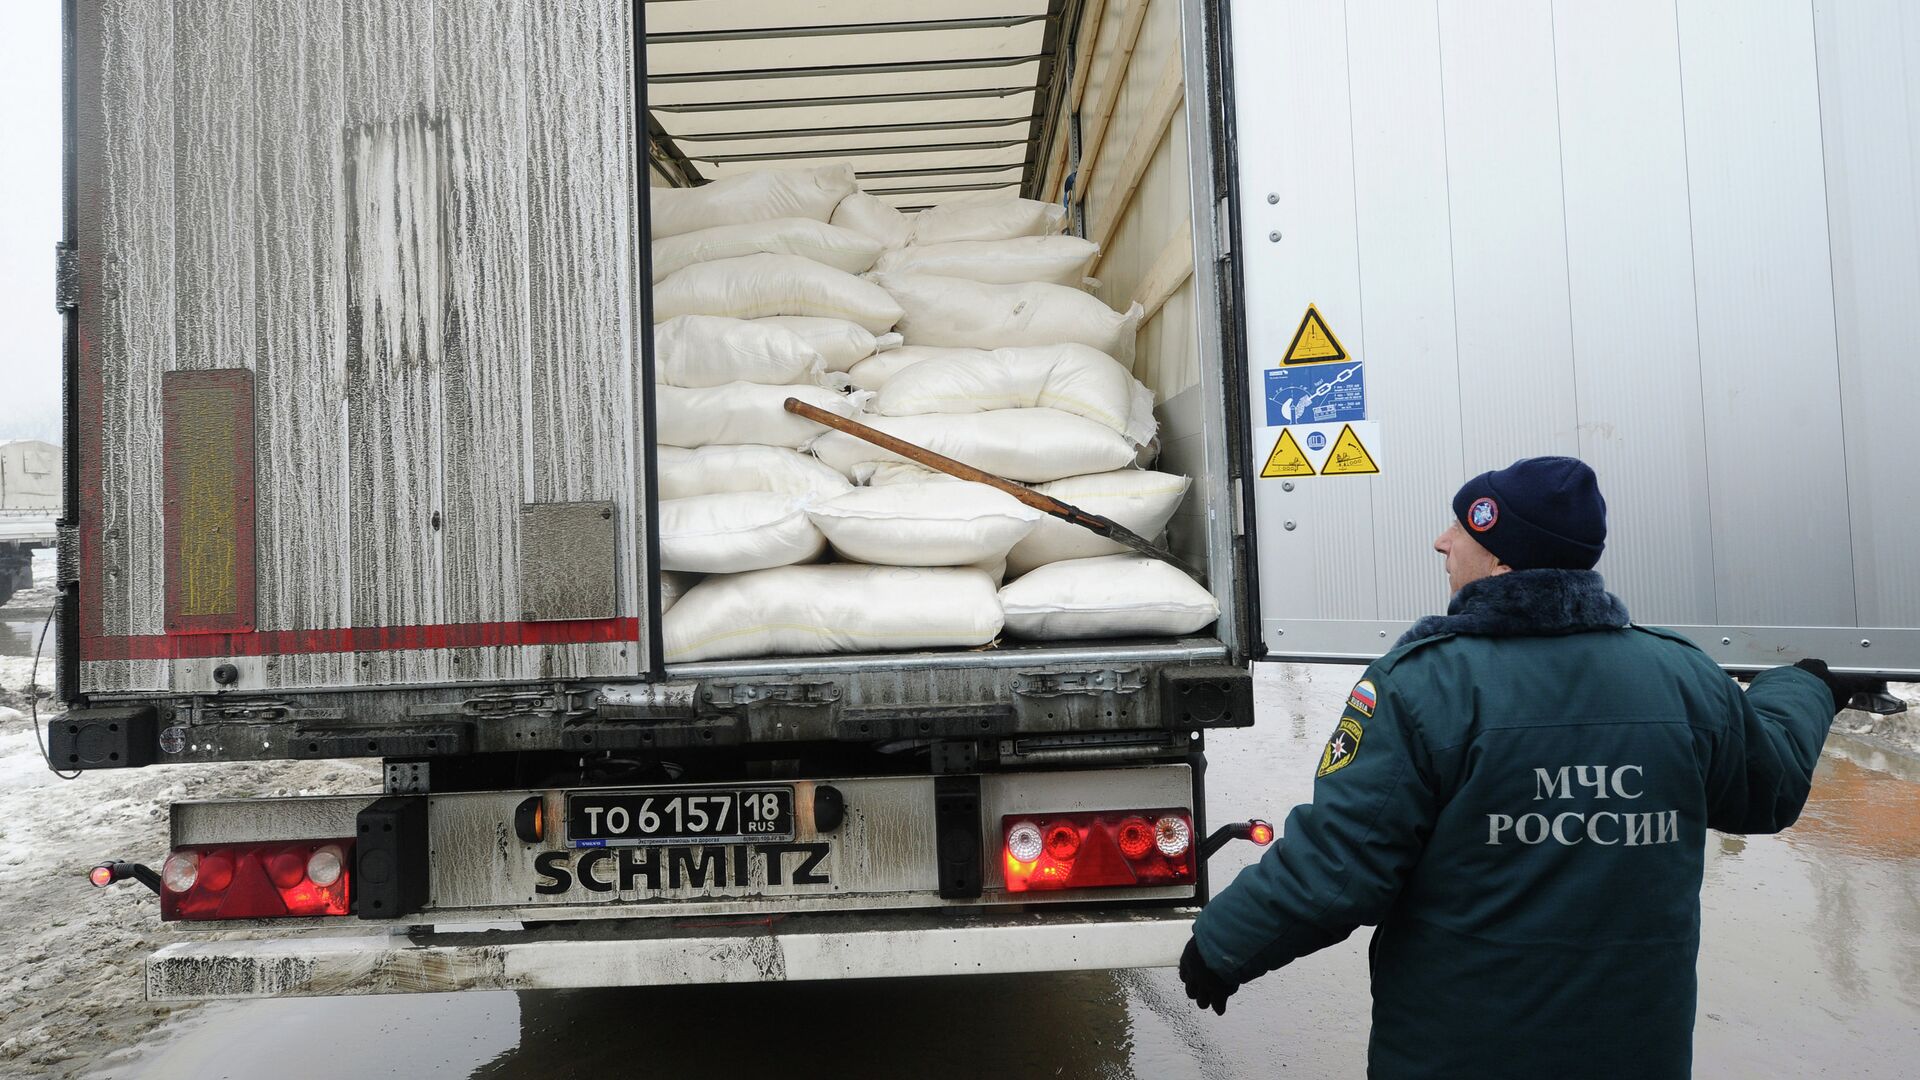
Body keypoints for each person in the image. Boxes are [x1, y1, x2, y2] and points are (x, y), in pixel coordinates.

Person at [1180, 456, 1867, 1079]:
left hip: (1459, 1057)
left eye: (1462, 530)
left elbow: (1341, 865)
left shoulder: (1426, 687)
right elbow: (1770, 787)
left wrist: (1222, 946)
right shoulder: (1682, 678)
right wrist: (1802, 686)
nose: (1443, 542)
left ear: (1506, 563)